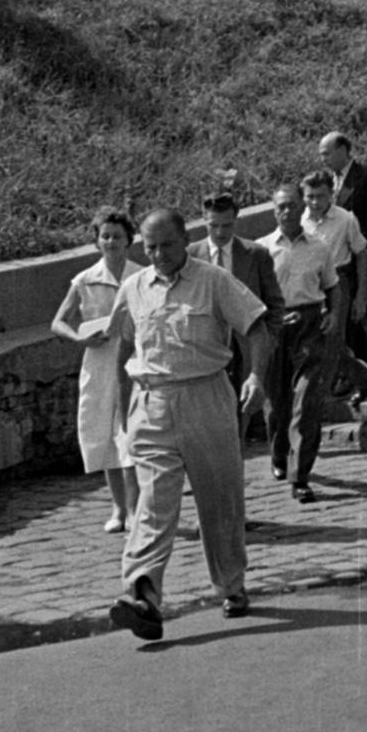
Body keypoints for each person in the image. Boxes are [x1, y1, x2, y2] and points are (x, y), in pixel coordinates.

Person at [106, 207, 274, 640]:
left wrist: (256, 377)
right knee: (152, 504)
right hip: (152, 404)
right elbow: (124, 350)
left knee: (220, 499)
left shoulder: (214, 280)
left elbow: (257, 330)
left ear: (186, 240)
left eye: (167, 245)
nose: (158, 255)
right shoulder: (133, 288)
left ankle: (231, 585)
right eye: (150, 247)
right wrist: (123, 412)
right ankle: (143, 595)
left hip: (206, 398)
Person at [51, 207, 142, 534]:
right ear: (97, 241)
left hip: (135, 362)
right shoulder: (85, 280)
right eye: (105, 236)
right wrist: (80, 338)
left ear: (129, 240)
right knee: (103, 436)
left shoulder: (141, 276)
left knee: (130, 435)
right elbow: (58, 322)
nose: (111, 242)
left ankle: (135, 509)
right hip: (100, 363)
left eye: (117, 236)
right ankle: (118, 508)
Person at [258, 186, 340, 504]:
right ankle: (279, 455)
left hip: (309, 326)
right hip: (275, 327)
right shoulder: (262, 249)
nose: (287, 212)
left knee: (306, 402)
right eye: (281, 207)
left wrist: (333, 314)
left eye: (292, 205)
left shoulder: (319, 247)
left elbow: (332, 286)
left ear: (301, 207)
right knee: (277, 403)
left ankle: (300, 476)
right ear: (273, 211)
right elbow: (250, 293)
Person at [189, 193, 285, 437]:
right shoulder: (190, 256)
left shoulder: (256, 254)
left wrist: (268, 339)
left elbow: (274, 302)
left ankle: (236, 457)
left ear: (236, 221)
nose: (220, 232)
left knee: (240, 415)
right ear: (204, 220)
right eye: (214, 225)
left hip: (245, 346)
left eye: (227, 225)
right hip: (206, 346)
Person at [301, 170, 367, 398]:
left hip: (338, 283)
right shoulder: (300, 221)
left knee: (334, 337)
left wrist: (361, 296)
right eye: (310, 197)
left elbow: (361, 254)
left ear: (331, 194)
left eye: (321, 196)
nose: (315, 202)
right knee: (319, 341)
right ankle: (362, 376)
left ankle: (347, 381)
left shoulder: (345, 219)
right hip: (311, 285)